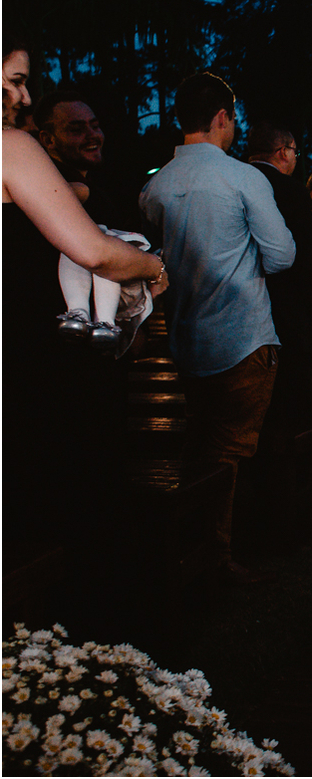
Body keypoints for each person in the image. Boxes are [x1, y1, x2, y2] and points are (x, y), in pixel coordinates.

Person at [3, 37, 168, 548]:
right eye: (15, 80)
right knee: (67, 503)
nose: (24, 99)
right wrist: (155, 266)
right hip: (38, 358)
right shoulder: (10, 147)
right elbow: (93, 253)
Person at [140, 72, 296, 586]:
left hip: (187, 338)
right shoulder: (243, 178)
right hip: (244, 334)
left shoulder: (156, 186)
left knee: (202, 443)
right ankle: (217, 556)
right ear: (224, 117)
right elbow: (281, 255)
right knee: (227, 452)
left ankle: (192, 547)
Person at [246, 123, 312, 436]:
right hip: (290, 309)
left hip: (245, 303)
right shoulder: (288, 190)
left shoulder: (236, 182)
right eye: (295, 152)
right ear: (283, 151)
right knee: (298, 400)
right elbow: (306, 260)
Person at [34, 90, 134, 349]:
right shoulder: (49, 190)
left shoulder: (96, 188)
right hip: (59, 345)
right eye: (76, 129)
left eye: (95, 126)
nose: (92, 136)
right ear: (48, 139)